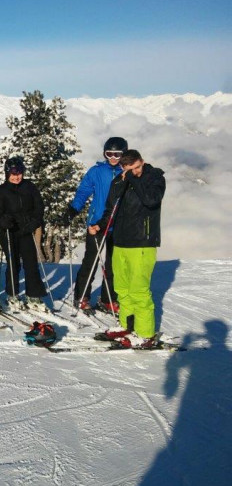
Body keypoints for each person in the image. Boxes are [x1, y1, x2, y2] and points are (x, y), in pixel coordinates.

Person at [90, 149, 165, 347]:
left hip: (142, 242)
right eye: (131, 170)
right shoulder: (119, 182)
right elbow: (110, 210)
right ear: (122, 168)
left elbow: (151, 200)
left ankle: (146, 334)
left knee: (139, 290)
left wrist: (132, 179)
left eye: (138, 167)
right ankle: (127, 326)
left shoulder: (154, 177)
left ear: (142, 162)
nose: (136, 172)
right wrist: (100, 225)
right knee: (122, 289)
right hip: (120, 242)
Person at [65, 137, 126, 313]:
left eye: (117, 154)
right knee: (91, 261)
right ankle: (82, 296)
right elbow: (84, 190)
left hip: (119, 224)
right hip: (96, 222)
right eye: (110, 154)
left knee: (114, 264)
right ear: (104, 154)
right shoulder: (97, 171)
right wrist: (74, 208)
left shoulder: (127, 172)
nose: (113, 158)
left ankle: (109, 299)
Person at [0, 157, 47, 311]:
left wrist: (35, 222)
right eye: (12, 173)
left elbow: (39, 207)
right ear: (7, 173)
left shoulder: (29, 186)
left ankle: (33, 294)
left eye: (19, 173)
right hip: (10, 232)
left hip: (27, 230)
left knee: (31, 263)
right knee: (13, 264)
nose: (16, 176)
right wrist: (4, 222)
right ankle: (12, 294)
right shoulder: (2, 190)